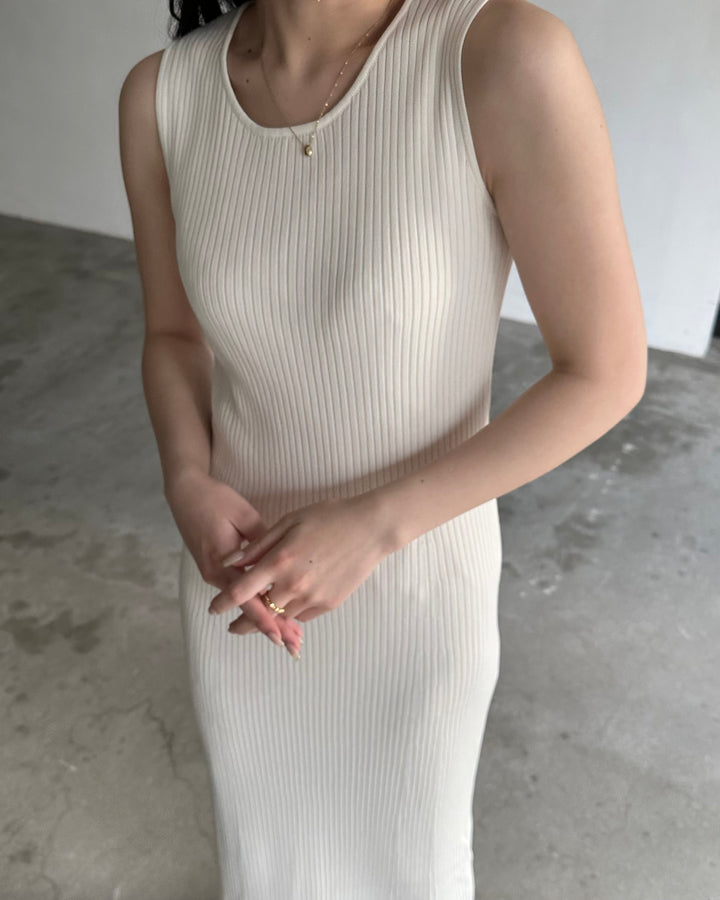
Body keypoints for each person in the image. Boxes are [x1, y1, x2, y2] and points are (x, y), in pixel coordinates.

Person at [118, 0, 646, 895]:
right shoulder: (161, 96)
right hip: (242, 583)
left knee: (412, 866)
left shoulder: (501, 54)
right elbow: (173, 335)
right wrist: (186, 477)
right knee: (267, 863)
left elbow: (606, 372)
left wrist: (373, 526)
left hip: (417, 586)